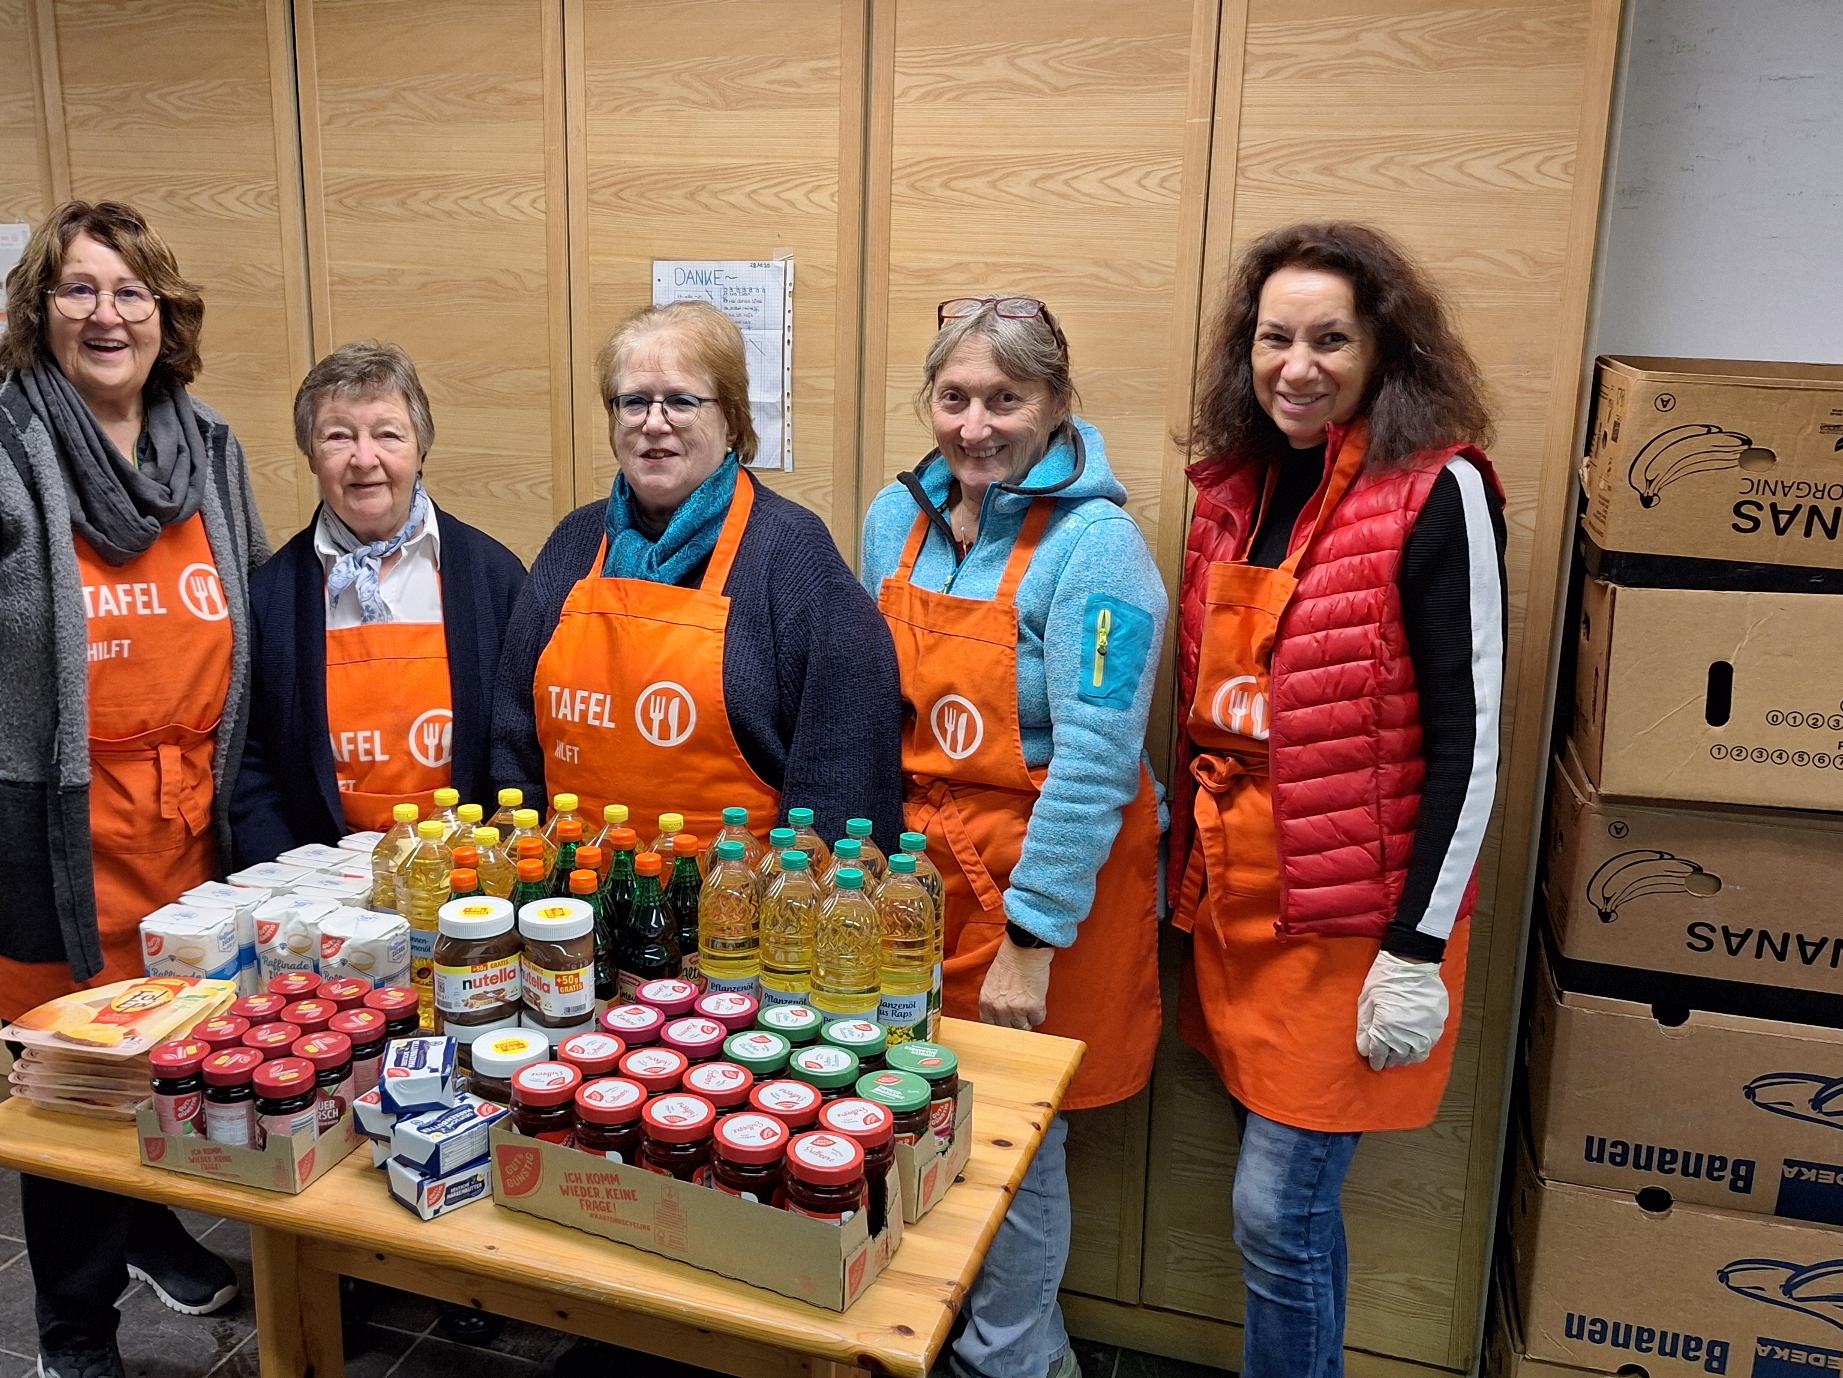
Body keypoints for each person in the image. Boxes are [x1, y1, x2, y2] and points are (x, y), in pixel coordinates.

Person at [0, 201, 266, 1378]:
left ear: (166, 314)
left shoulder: (210, 448)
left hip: (191, 824)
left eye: (131, 291)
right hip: (48, 830)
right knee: (71, 1080)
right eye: (79, 289)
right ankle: (75, 1331)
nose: (107, 314)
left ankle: (146, 1225)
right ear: (38, 310)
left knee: (180, 1051)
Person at [1171, 222, 1504, 1378]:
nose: (1296, 364)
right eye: (1273, 337)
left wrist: (1416, 945)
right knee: (1291, 1218)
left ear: (1383, 349)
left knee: (1276, 1211)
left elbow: (1474, 736)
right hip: (1238, 908)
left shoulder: (1439, 490)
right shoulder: (1235, 489)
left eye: (1329, 338)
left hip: (1353, 929)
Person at [859, 296, 1165, 1378]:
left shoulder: (1103, 549)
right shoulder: (890, 522)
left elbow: (1094, 754)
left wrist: (1032, 938)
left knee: (1015, 1141)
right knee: (909, 1112)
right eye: (954, 397)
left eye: (1006, 398)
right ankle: (939, 1331)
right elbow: (868, 706)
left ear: (1058, 405)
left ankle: (1014, 1361)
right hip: (920, 877)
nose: (976, 425)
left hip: (1047, 882)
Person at [488, 300, 903, 840]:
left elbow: (845, 770)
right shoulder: (575, 544)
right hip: (575, 895)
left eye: (681, 402)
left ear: (731, 420)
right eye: (633, 402)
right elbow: (514, 741)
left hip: (735, 906)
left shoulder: (793, 555)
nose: (654, 424)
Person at [233, 341, 528, 856]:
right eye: (338, 436)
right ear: (310, 454)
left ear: (421, 449)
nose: (363, 458)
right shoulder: (268, 597)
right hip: (321, 898)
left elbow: (520, 743)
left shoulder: (495, 578)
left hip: (466, 881)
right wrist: (289, 880)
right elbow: (251, 764)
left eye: (387, 434)